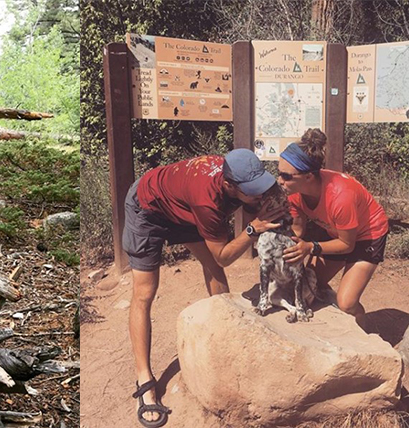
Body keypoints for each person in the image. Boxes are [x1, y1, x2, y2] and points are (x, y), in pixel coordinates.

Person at [124, 149, 285, 428]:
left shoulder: (238, 173)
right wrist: (252, 229)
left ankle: (226, 337)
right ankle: (145, 381)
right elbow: (224, 254)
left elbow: (218, 259)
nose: (259, 195)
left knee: (213, 269)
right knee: (144, 293)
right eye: (253, 192)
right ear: (228, 185)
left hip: (181, 207)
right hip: (147, 207)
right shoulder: (207, 201)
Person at [279, 128, 389, 331]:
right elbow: (298, 231)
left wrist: (310, 248)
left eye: (286, 176)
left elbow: (347, 245)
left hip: (368, 235)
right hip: (336, 234)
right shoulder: (294, 191)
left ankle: (365, 336)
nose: (280, 181)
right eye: (278, 173)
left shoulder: (340, 196)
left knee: (347, 303)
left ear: (309, 177)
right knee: (311, 283)